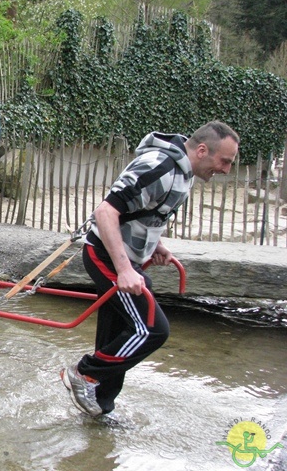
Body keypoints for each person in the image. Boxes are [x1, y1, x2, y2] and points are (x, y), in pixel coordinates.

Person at [61, 121, 240, 417]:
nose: (226, 169)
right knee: (152, 330)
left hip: (128, 259)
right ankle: (82, 373)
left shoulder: (185, 173)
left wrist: (154, 246)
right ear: (202, 150)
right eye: (225, 161)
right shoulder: (159, 167)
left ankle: (101, 406)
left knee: (122, 330)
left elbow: (145, 213)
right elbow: (105, 212)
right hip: (104, 255)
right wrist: (123, 270)